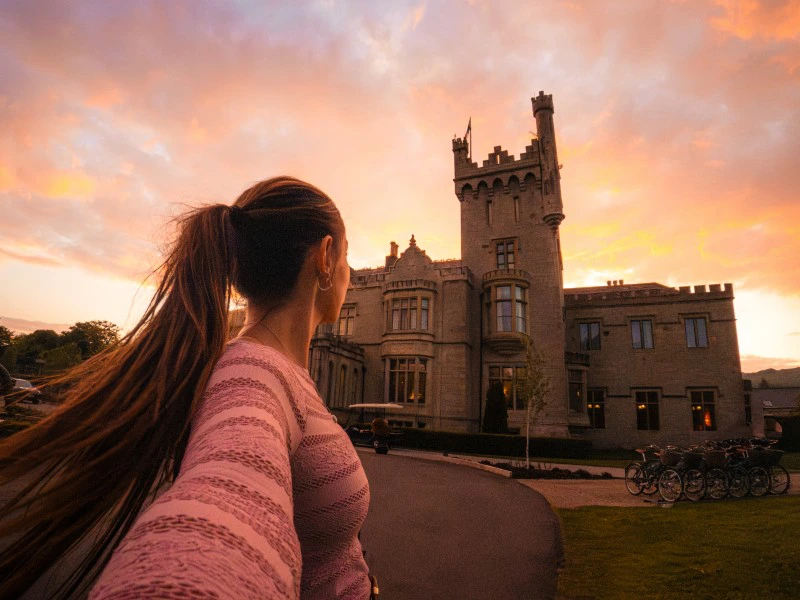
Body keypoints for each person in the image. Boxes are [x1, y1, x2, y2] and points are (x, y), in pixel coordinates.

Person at [0, 177, 374, 599]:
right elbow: (229, 488)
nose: (350, 274)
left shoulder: (281, 371)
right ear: (326, 257)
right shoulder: (252, 374)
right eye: (347, 257)